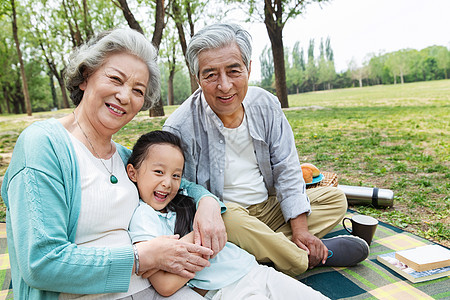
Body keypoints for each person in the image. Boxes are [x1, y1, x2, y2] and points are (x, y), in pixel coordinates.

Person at [1, 28, 226, 299]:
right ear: (86, 77)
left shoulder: (123, 157)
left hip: (155, 291)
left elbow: (184, 185)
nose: (124, 96)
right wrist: (141, 258)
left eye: (137, 90)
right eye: (115, 79)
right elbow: (41, 263)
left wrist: (209, 203)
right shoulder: (43, 145)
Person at [163, 23, 369, 276]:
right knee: (227, 218)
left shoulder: (266, 104)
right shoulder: (179, 126)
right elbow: (176, 186)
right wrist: (207, 203)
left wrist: (301, 229)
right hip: (227, 217)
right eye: (211, 75)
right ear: (198, 78)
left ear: (249, 68)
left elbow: (287, 167)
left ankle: (261, 251)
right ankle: (301, 258)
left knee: (335, 199)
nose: (225, 85)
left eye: (233, 70)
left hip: (269, 207)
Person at [127, 130, 329, 299]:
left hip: (253, 269)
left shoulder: (182, 196)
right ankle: (306, 255)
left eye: (176, 175)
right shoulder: (143, 217)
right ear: (132, 172)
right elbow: (164, 285)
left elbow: (207, 201)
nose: (168, 183)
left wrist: (196, 241)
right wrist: (204, 238)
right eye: (159, 172)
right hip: (226, 290)